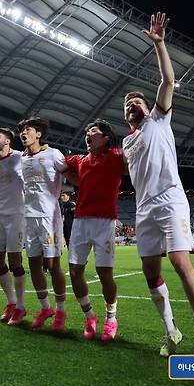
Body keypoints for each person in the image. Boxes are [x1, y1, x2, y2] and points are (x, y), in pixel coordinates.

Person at [121, 12, 194, 355]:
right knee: (151, 273)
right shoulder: (126, 142)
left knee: (179, 262)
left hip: (170, 200)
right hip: (143, 209)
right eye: (127, 104)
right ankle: (171, 329)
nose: (132, 104)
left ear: (148, 107)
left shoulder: (159, 121)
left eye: (137, 101)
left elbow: (167, 79)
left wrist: (160, 44)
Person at [64, 119, 125, 341]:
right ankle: (90, 316)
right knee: (74, 271)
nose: (88, 135)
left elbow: (136, 165)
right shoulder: (80, 160)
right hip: (80, 221)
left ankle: (111, 318)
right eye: (86, 131)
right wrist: (72, 178)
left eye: (93, 131)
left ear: (105, 137)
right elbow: (58, 164)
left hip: (104, 222)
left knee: (104, 273)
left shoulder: (117, 156)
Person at [17, 117, 68, 331]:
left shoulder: (53, 154)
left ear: (38, 134)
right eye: (21, 131)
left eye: (27, 130)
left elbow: (70, 175)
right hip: (28, 218)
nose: (23, 133)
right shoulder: (20, 158)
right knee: (34, 265)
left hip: (49, 217)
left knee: (53, 265)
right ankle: (45, 308)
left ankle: (61, 310)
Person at [0, 125, 27, 326]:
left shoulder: (20, 156)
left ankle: (21, 306)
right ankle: (11, 302)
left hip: (17, 215)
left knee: (15, 261)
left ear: (7, 140)